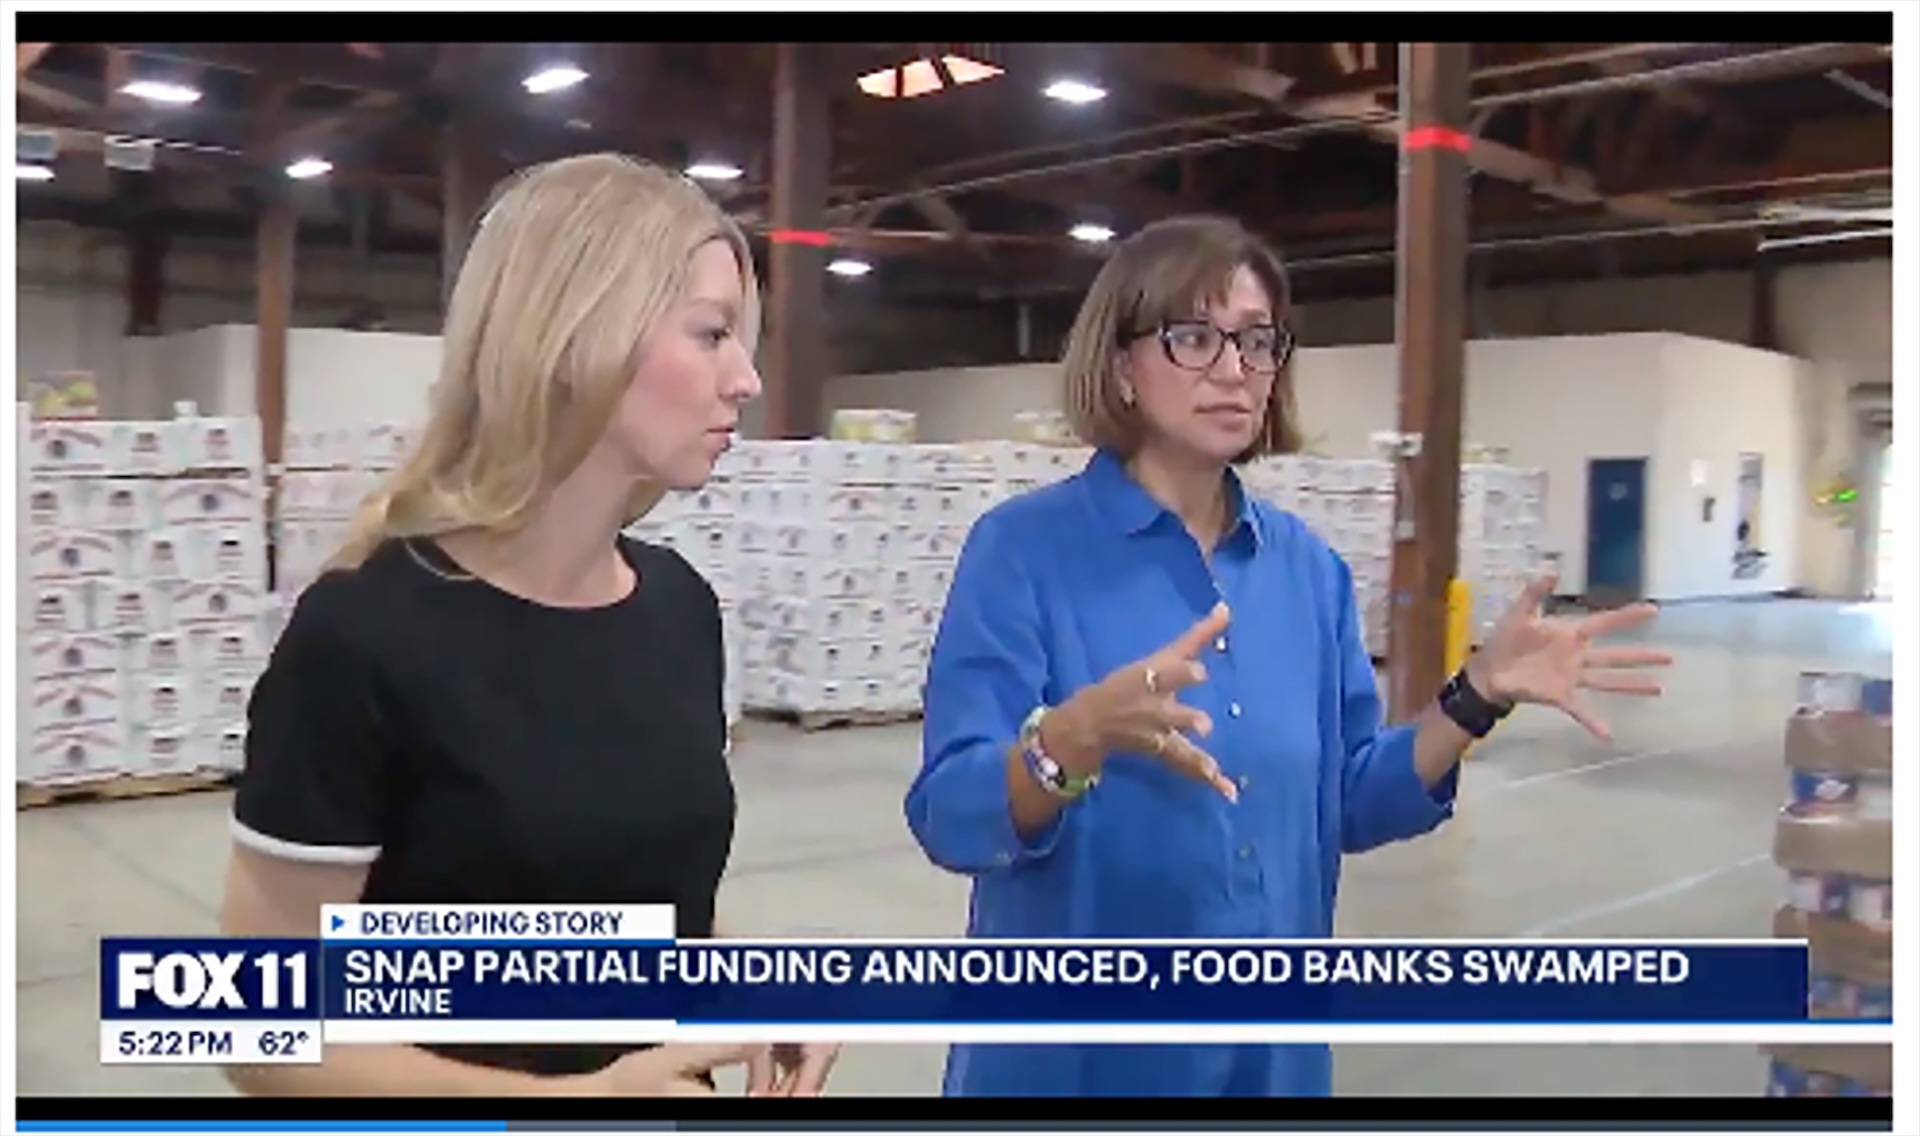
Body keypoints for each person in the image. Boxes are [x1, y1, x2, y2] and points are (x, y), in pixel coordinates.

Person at [905, 215, 1672, 1097]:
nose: (1234, 369)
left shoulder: (1308, 571)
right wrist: (1067, 741)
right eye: (1194, 337)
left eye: (1257, 341)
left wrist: (1476, 695)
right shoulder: (1022, 553)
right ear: (1119, 365)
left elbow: (1347, 801)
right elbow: (951, 815)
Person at [219, 154, 838, 1098]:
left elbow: (646, 908)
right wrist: (570, 1106)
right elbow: (260, 1034)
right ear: (577, 338)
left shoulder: (679, 610)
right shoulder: (363, 636)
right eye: (712, 334)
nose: (746, 379)